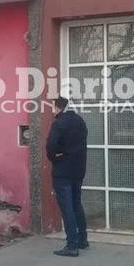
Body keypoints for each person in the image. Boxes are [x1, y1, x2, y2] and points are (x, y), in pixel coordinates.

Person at [46, 96, 88, 257]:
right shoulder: (80, 121)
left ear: (58, 107)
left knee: (67, 207)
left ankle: (72, 245)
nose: (52, 110)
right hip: (78, 170)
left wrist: (54, 158)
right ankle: (83, 239)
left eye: (52, 107)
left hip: (62, 171)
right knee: (77, 203)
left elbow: (50, 145)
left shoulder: (59, 123)